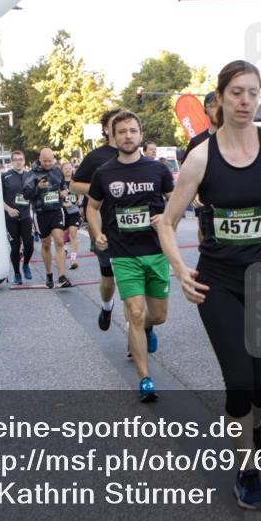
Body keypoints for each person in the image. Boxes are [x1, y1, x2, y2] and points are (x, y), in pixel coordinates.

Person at [158, 60, 261, 510]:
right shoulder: (201, 156)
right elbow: (166, 223)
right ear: (219, 98)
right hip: (218, 283)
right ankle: (246, 469)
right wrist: (181, 271)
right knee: (239, 381)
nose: (245, 101)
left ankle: (255, 425)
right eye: (237, 92)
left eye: (253, 93)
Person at [87, 111, 174, 402]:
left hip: (156, 252)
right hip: (123, 254)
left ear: (140, 134)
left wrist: (165, 217)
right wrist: (97, 232)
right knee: (134, 313)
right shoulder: (104, 173)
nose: (127, 135)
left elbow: (175, 203)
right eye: (121, 131)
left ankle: (149, 326)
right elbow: (92, 207)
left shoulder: (157, 170)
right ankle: (145, 378)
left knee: (157, 315)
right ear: (113, 136)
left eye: (132, 131)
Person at [71, 109, 122, 328]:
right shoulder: (96, 157)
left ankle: (137, 331)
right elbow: (73, 185)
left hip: (131, 225)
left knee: (131, 277)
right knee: (108, 278)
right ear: (106, 129)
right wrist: (102, 188)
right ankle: (107, 306)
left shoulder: (134, 154)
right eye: (116, 123)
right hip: (102, 223)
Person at [23, 148, 73, 289]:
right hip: (41, 213)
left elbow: (64, 186)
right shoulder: (32, 175)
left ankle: (62, 276)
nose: (47, 163)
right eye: (45, 161)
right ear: (40, 159)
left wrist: (64, 192)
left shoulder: (57, 172)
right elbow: (26, 195)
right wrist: (38, 187)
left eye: (50, 161)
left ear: (53, 159)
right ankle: (49, 274)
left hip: (56, 210)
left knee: (59, 241)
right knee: (46, 244)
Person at [2, 150, 34, 284]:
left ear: (24, 161)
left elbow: (35, 194)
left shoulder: (30, 175)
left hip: (26, 215)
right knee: (15, 246)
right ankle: (17, 273)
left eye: (20, 159)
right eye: (15, 159)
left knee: (29, 244)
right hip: (11, 218)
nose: (18, 161)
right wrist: (9, 209)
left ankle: (26, 264)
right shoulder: (5, 176)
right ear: (11, 161)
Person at [180, 91, 219, 164]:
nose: (218, 110)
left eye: (220, 105)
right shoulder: (196, 142)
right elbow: (186, 171)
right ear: (205, 110)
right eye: (213, 106)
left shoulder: (237, 140)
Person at [61, 161, 81, 270]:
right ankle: (63, 248)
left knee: (73, 233)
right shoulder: (59, 182)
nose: (68, 170)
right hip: (63, 212)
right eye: (66, 168)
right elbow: (56, 197)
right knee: (63, 235)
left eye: (70, 168)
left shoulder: (75, 181)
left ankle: (73, 260)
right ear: (62, 170)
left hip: (74, 211)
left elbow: (80, 196)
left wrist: (77, 203)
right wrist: (64, 203)